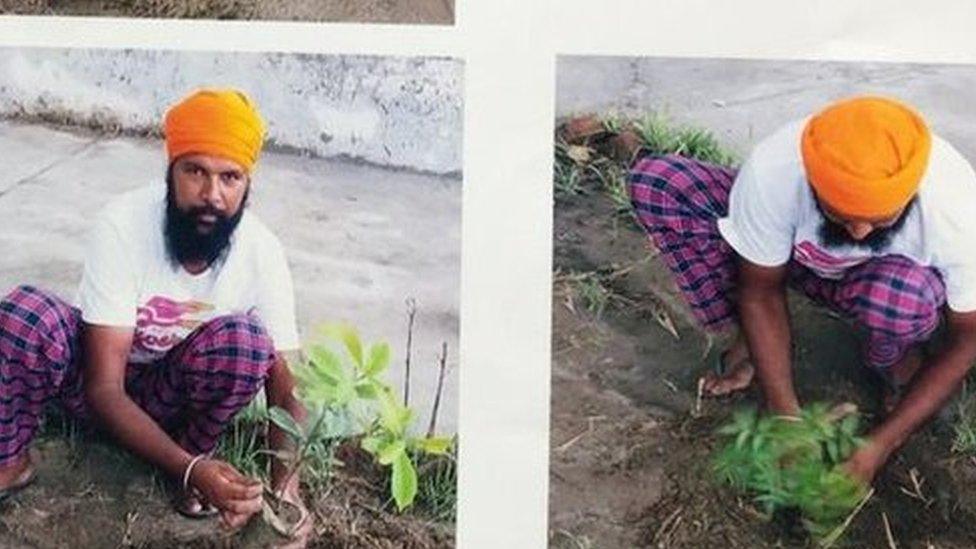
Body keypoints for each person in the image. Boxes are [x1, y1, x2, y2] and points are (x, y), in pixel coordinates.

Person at [0, 88, 311, 537]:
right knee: (25, 317)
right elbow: (105, 388)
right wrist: (191, 470)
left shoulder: (262, 251)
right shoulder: (123, 223)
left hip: (175, 403)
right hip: (93, 389)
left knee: (247, 344)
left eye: (230, 178)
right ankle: (10, 462)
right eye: (195, 172)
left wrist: (288, 493)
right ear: (171, 170)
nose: (212, 195)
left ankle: (186, 468)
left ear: (247, 186)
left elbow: (288, 389)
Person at [628, 96, 976, 484]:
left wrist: (880, 445)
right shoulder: (776, 169)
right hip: (791, 259)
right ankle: (749, 344)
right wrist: (786, 417)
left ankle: (892, 359)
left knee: (900, 299)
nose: (858, 233)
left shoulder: (957, 207)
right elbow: (760, 290)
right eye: (839, 214)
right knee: (657, 182)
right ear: (813, 183)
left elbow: (968, 335)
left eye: (878, 220)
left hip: (878, 283)